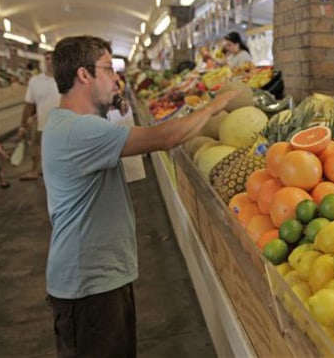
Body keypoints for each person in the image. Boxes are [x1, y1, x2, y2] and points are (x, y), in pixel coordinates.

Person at [42, 35, 237, 357]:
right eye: (108, 69)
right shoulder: (79, 132)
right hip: (89, 284)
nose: (116, 78)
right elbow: (164, 137)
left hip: (96, 277)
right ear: (83, 75)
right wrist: (215, 105)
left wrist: (114, 108)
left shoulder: (71, 123)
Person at [18, 50, 61, 180]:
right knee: (37, 147)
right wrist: (23, 126)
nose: (49, 62)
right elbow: (29, 104)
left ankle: (59, 172)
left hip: (63, 123)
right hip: (43, 122)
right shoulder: (35, 81)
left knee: (61, 150)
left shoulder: (65, 79)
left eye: (52, 58)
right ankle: (35, 170)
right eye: (47, 59)